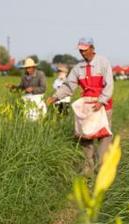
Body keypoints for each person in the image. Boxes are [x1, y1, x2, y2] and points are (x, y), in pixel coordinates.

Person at [47, 37, 114, 175]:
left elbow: (109, 85)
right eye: (80, 50)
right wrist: (55, 96)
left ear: (92, 48)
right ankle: (88, 167)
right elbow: (69, 86)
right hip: (86, 106)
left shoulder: (103, 62)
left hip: (103, 106)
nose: (82, 53)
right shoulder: (78, 68)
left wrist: (101, 101)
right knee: (84, 137)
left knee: (103, 136)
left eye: (85, 50)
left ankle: (101, 168)